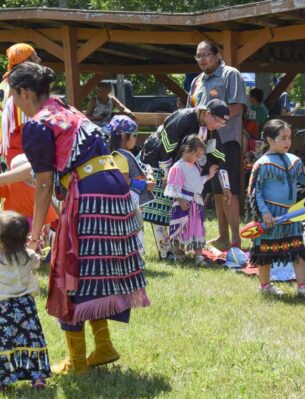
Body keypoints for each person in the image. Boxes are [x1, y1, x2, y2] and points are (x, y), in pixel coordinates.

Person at [9, 62, 150, 374]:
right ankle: (102, 346)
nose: (13, 103)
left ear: (25, 92)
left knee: (69, 270)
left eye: (13, 96)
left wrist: (35, 235)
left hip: (88, 192)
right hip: (114, 188)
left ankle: (76, 360)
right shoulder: (66, 108)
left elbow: (43, 183)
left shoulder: (37, 125)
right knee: (90, 271)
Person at [247, 119, 305, 298]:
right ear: (270, 140)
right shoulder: (262, 163)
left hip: (291, 214)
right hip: (270, 216)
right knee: (265, 252)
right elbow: (255, 191)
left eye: (289, 138)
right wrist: (264, 212)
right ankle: (265, 285)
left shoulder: (294, 161)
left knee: (298, 248)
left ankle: (302, 286)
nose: (287, 142)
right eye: (283, 138)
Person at [139, 100, 229, 259]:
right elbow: (165, 148)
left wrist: (226, 186)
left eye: (222, 124)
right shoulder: (183, 118)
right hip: (155, 161)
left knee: (171, 208)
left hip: (180, 168)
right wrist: (167, 174)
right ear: (208, 114)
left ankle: (171, 250)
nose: (218, 126)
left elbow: (219, 159)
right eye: (217, 121)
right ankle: (165, 252)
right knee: (159, 207)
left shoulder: (211, 129)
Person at [187, 40, 248, 251]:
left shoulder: (230, 74)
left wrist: (214, 119)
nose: (201, 60)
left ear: (217, 55)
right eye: (198, 56)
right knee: (217, 190)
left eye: (205, 55)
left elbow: (237, 105)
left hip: (226, 139)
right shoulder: (197, 81)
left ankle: (235, 241)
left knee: (229, 189)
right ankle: (223, 237)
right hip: (205, 143)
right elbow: (190, 110)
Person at [0, 211, 51, 390]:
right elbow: (38, 262)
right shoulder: (29, 256)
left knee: (5, 341)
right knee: (32, 339)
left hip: (3, 308)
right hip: (25, 306)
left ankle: (4, 378)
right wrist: (34, 244)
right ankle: (37, 378)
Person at [165, 135, 219, 267]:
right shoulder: (178, 167)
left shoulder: (194, 167)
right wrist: (180, 200)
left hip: (196, 204)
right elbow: (173, 186)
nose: (199, 158)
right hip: (184, 205)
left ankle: (199, 257)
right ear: (187, 150)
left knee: (197, 229)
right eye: (197, 154)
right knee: (181, 229)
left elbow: (198, 183)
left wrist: (210, 175)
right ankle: (179, 256)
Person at [107, 115, 156, 253]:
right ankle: (133, 258)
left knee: (135, 228)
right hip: (126, 203)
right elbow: (123, 181)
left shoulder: (124, 154)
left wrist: (148, 174)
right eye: (134, 135)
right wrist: (144, 185)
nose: (136, 138)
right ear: (123, 136)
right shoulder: (120, 157)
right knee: (133, 228)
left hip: (130, 202)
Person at [0, 43, 41, 167]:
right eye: (35, 57)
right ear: (25, 62)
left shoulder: (4, 84)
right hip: (21, 152)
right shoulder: (22, 87)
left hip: (6, 149)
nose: (39, 60)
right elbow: (26, 126)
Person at [0, 153, 57, 229]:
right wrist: (47, 226)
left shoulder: (10, 184)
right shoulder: (36, 191)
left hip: (10, 221)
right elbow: (46, 212)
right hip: (28, 224)